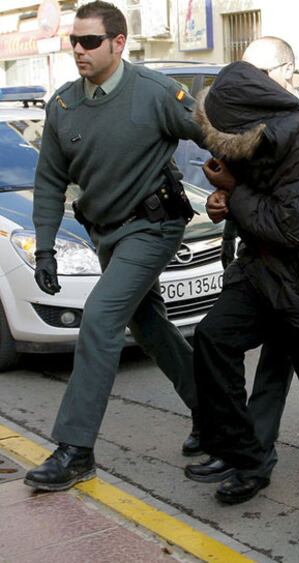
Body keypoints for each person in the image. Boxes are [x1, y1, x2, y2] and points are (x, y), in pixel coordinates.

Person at [24, 0, 204, 492]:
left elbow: (215, 135)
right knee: (149, 327)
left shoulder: (157, 93)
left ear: (118, 43)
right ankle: (215, 414)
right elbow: (47, 184)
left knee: (101, 318)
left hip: (154, 227)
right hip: (106, 234)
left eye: (89, 42)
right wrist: (44, 249)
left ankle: (76, 450)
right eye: (73, 41)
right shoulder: (64, 106)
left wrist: (235, 190)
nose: (78, 50)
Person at [187, 57, 299, 522]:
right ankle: (246, 457)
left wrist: (235, 191)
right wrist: (221, 198)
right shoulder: (256, 136)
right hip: (266, 269)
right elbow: (251, 194)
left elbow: (291, 227)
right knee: (213, 338)